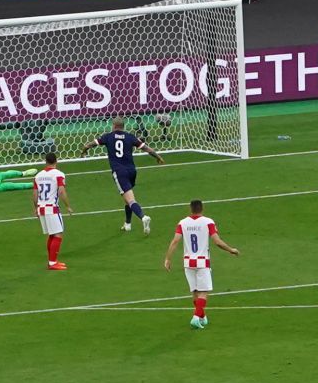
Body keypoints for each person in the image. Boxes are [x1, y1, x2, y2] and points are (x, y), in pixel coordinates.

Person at [163, 199, 240, 329]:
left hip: (188, 262)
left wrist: (167, 259)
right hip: (202, 261)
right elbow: (217, 241)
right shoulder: (208, 222)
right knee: (204, 292)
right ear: (202, 208)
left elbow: (175, 241)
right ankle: (195, 317)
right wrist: (231, 250)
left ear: (190, 209)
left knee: (195, 292)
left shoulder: (183, 223)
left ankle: (202, 317)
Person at [80, 116, 165, 234]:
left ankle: (143, 217)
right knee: (126, 198)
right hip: (132, 171)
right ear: (123, 126)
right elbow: (146, 148)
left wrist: (84, 151)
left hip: (120, 172)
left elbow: (88, 145)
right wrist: (158, 157)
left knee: (130, 200)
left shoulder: (108, 136)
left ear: (114, 126)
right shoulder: (130, 137)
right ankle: (127, 224)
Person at [34, 152, 74, 270]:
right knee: (58, 233)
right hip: (52, 208)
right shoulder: (59, 174)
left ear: (45, 161)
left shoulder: (38, 176)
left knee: (52, 234)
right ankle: (52, 263)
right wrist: (68, 206)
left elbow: (35, 194)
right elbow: (61, 191)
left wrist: (35, 208)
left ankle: (52, 260)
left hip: (41, 208)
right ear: (56, 161)